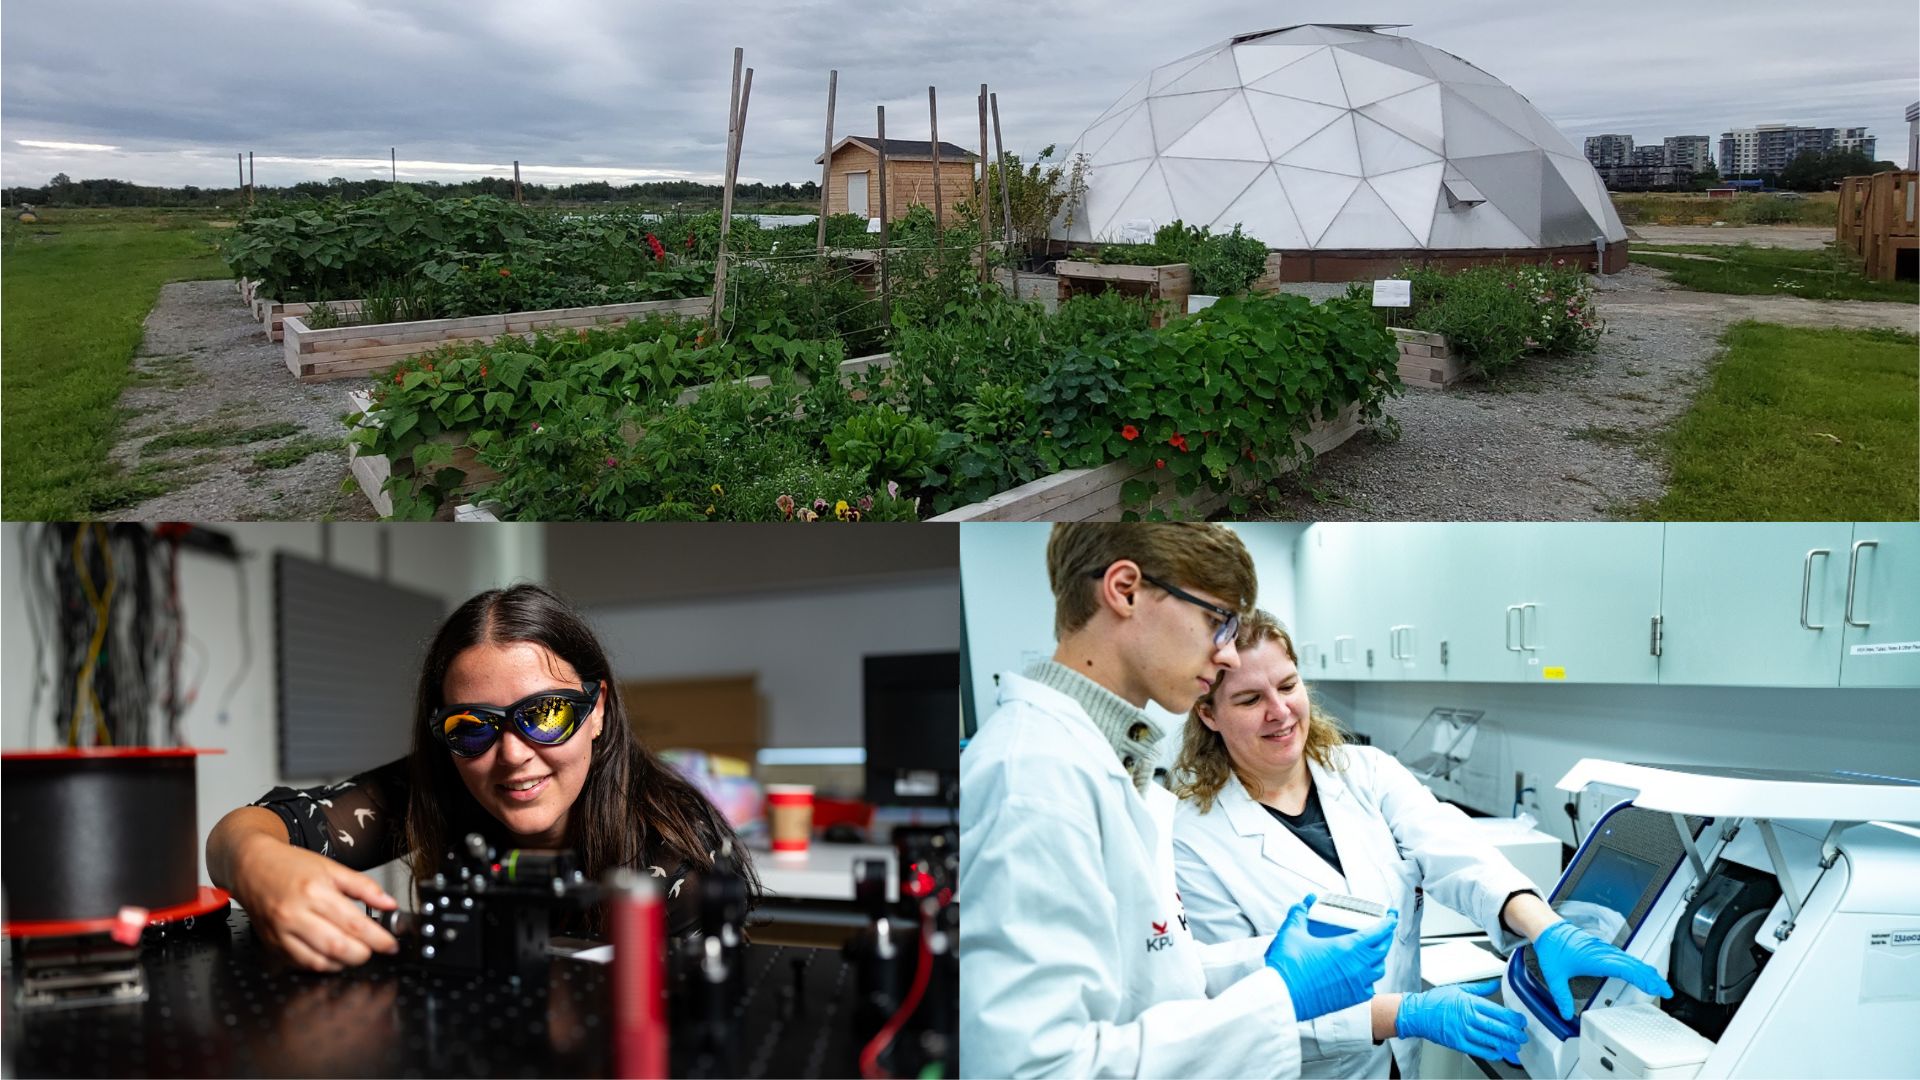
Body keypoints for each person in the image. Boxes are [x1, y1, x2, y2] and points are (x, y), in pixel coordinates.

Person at [960, 524, 1398, 1078]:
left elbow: (1148, 970)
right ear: (1124, 590)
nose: (1231, 657)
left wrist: (1266, 963)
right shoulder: (1033, 776)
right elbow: (1033, 1066)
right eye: (1218, 622)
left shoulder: (1103, 762)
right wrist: (1279, 995)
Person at [1171, 611, 1672, 1077]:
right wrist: (1404, 1013)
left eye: (1287, 685)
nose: (1279, 712)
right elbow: (1239, 1004)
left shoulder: (1365, 772)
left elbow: (1452, 849)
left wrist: (1545, 928)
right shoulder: (1193, 836)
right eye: (1249, 699)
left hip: (1395, 1062)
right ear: (1209, 714)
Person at [206, 583, 757, 972]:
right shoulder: (438, 785)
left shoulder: (678, 848)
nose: (513, 755)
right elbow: (242, 833)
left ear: (597, 712)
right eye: (472, 727)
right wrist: (257, 864)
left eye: (545, 715)